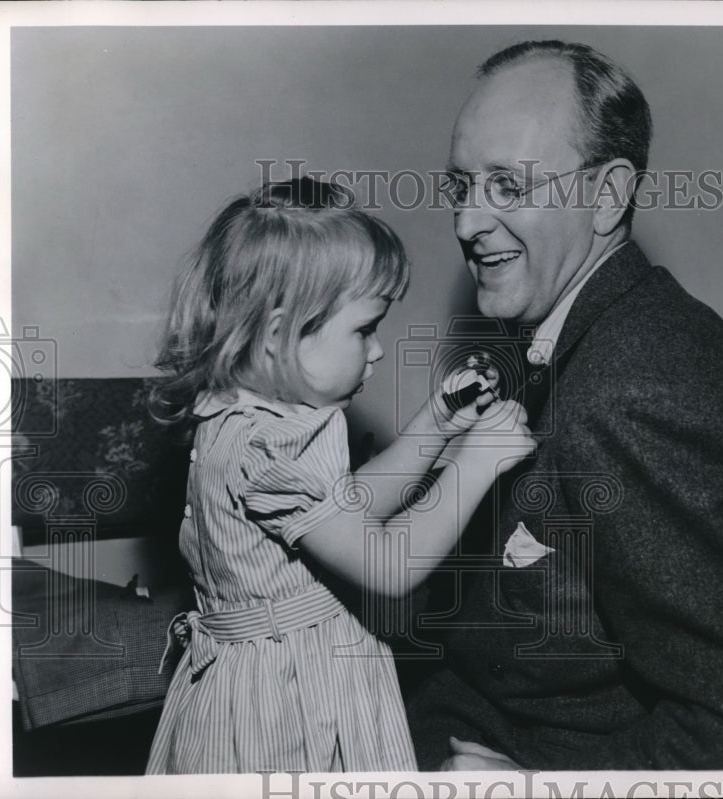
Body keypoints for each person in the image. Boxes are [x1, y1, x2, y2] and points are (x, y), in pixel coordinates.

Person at [407, 40, 723, 770]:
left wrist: (539, 788)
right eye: (462, 186)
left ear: (607, 196)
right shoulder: (592, 329)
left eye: (508, 188)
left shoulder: (638, 393)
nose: (466, 224)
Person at [144, 176, 534, 774]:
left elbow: (349, 509)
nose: (377, 350)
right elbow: (385, 566)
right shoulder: (261, 447)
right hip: (283, 706)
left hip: (298, 673)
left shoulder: (262, 421)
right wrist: (474, 463)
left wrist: (436, 425)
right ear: (280, 335)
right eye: (364, 329)